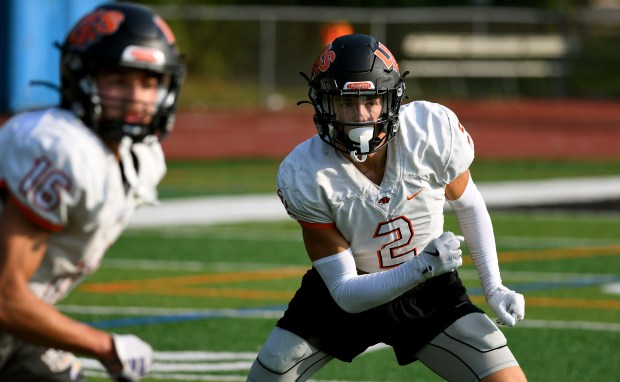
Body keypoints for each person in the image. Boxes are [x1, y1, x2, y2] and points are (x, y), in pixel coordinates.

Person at [247, 34, 526, 382]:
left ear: (391, 99)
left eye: (371, 99)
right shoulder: (307, 173)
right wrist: (421, 266)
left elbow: (468, 204)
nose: (360, 115)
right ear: (324, 105)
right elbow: (346, 293)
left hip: (429, 296)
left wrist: (494, 286)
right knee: (268, 377)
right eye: (346, 102)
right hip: (346, 295)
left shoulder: (429, 133)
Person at [0, 2, 185, 381]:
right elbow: (3, 297)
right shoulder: (60, 148)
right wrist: (103, 345)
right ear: (82, 78)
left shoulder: (141, 157)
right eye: (119, 81)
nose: (136, 97)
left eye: (149, 83)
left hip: (19, 325)